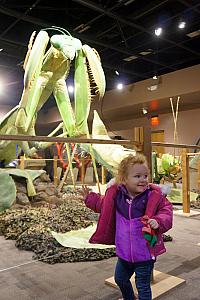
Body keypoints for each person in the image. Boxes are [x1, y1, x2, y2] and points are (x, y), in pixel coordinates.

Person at [81, 153, 173, 300]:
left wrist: (158, 221)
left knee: (142, 285)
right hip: (124, 253)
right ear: (124, 179)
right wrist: (89, 199)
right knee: (120, 279)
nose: (143, 180)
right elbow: (102, 205)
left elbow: (166, 211)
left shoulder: (153, 196)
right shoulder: (117, 196)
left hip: (144, 254)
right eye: (137, 176)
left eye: (145, 176)